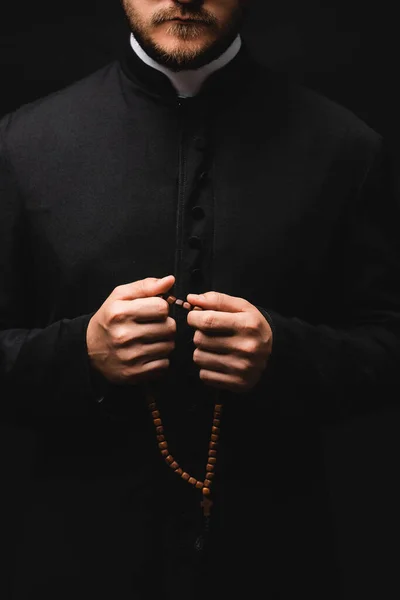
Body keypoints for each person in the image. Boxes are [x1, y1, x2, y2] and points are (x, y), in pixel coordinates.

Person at [1, 0, 400, 598]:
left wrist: (287, 355)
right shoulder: (19, 145)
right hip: (76, 564)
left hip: (280, 565)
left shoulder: (347, 147)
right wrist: (78, 354)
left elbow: (389, 340)